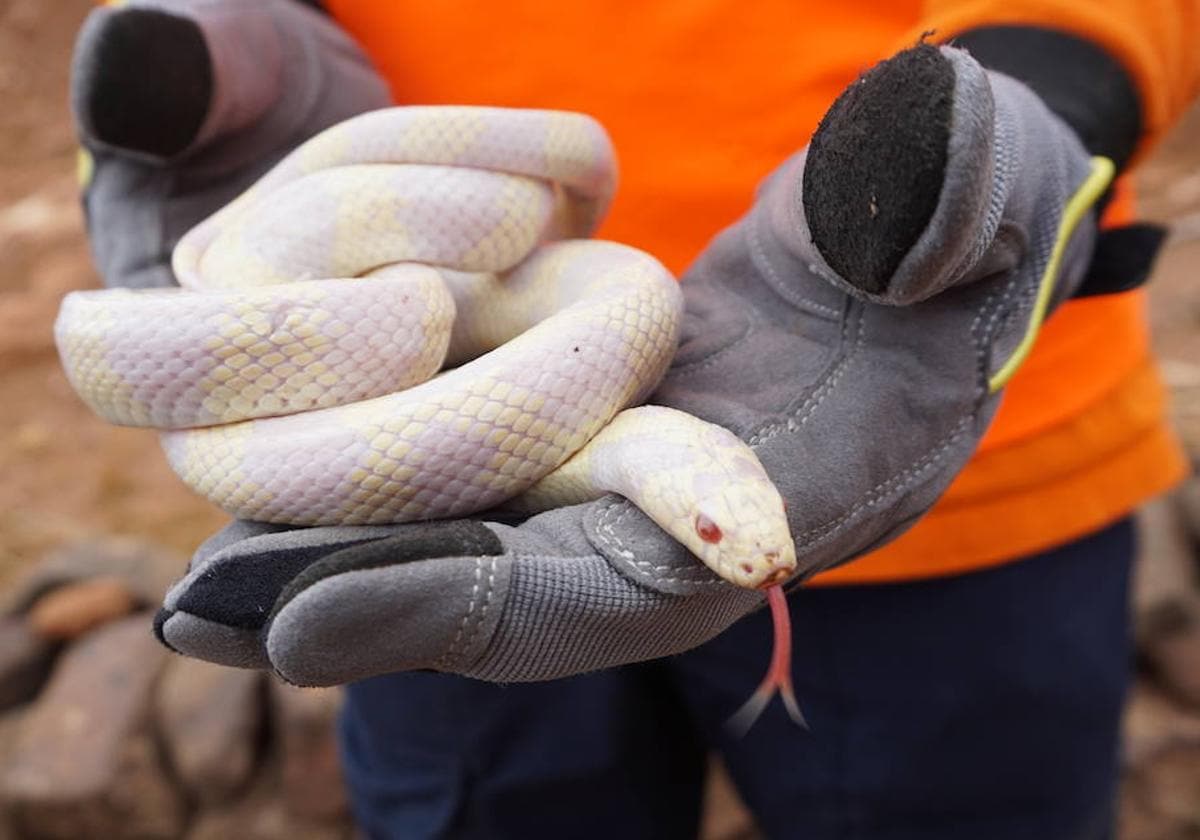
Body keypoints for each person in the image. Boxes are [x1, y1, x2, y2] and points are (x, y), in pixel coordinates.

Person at [67, 0, 1200, 837]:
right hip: (440, 536)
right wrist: (202, 50)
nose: (739, 551)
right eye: (717, 532)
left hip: (952, 455)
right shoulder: (458, 315)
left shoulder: (613, 325)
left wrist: (1052, 76)